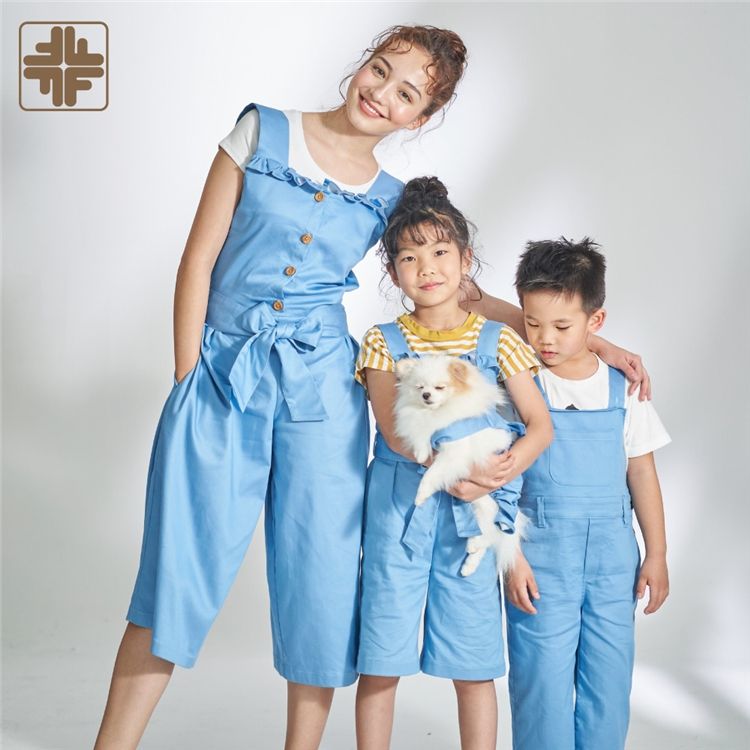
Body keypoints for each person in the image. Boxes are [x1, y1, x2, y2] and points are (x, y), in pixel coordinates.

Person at [94, 25, 477, 750]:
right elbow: (198, 258)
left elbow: (455, 285)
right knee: (176, 570)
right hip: (224, 375)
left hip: (324, 397)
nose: (381, 94)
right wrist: (188, 376)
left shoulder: (392, 199)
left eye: (406, 94)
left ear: (419, 118)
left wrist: (581, 336)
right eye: (380, 70)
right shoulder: (262, 131)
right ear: (362, 65)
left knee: (322, 577)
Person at [354, 176, 553, 750]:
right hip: (398, 514)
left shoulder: (499, 340)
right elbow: (395, 433)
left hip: (473, 520)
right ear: (393, 271)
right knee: (381, 656)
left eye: (441, 252)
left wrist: (500, 472)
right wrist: (458, 469)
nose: (427, 268)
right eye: (409, 257)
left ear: (466, 261)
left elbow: (540, 426)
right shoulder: (382, 341)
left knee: (473, 660)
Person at [504, 237, 671, 750]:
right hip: (540, 557)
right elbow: (501, 481)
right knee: (540, 682)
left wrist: (658, 553)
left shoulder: (624, 387)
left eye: (562, 326)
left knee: (608, 681)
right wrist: (510, 558)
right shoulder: (519, 382)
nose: (544, 339)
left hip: (613, 560)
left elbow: (642, 472)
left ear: (595, 322)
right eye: (532, 323)